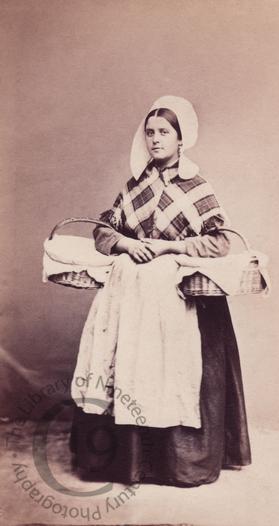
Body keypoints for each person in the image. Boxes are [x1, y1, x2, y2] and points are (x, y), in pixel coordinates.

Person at [69, 95, 251, 487]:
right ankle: (127, 461)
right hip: (130, 304)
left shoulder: (196, 186)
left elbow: (220, 242)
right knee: (127, 367)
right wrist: (126, 244)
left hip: (179, 301)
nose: (155, 140)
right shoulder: (134, 185)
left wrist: (172, 247)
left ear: (181, 139)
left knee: (174, 370)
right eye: (150, 132)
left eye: (164, 132)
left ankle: (176, 463)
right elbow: (103, 231)